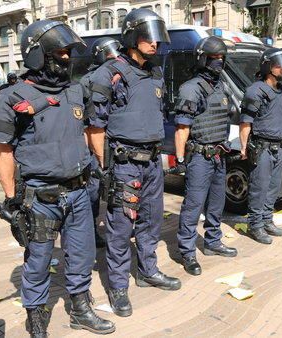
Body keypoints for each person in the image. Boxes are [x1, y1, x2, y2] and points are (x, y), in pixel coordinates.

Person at [0, 20, 115, 337]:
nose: (67, 59)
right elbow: (1, 152)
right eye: (59, 52)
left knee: (82, 256)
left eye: (69, 52)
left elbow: (86, 131)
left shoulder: (75, 91)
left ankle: (81, 309)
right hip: (39, 200)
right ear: (36, 55)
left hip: (79, 194)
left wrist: (98, 166)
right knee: (39, 261)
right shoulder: (11, 98)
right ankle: (36, 318)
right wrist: (12, 200)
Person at [87, 8, 181, 318]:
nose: (155, 44)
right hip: (125, 164)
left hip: (153, 163)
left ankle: (147, 271)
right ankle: (117, 287)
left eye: (157, 38)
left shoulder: (155, 72)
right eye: (148, 38)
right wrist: (105, 167)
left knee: (151, 220)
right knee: (120, 226)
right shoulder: (109, 73)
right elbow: (95, 127)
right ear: (132, 38)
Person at [171, 36, 238, 276]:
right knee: (193, 206)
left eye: (221, 58)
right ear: (203, 59)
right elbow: (182, 128)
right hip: (199, 156)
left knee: (217, 203)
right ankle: (187, 252)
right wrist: (179, 160)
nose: (218, 62)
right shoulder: (191, 88)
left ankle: (212, 242)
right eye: (214, 58)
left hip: (219, 154)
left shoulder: (221, 86)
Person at [239, 48, 282, 245]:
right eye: (278, 66)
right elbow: (246, 122)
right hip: (262, 147)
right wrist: (244, 148)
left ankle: (267, 220)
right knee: (259, 188)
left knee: (273, 187)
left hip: (278, 146)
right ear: (268, 67)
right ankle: (255, 225)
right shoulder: (255, 90)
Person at [80, 37, 122, 249]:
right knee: (94, 191)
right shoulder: (90, 80)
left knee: (114, 190)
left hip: (113, 143)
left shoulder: (118, 76)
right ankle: (89, 231)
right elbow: (89, 125)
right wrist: (97, 158)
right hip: (95, 147)